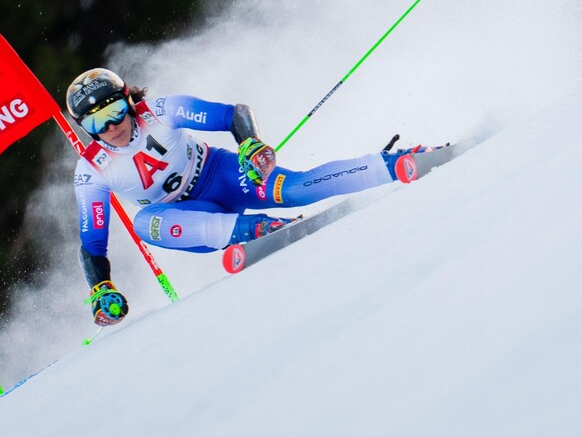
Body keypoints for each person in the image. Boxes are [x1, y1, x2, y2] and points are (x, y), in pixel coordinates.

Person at [67, 68, 442, 326]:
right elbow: (93, 242)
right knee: (144, 224)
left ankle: (392, 164)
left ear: (128, 101)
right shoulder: (91, 170)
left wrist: (249, 144)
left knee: (295, 189)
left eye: (115, 112)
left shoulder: (162, 110)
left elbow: (234, 114)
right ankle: (255, 229)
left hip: (224, 176)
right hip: (190, 219)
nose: (111, 127)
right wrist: (101, 288)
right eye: (95, 123)